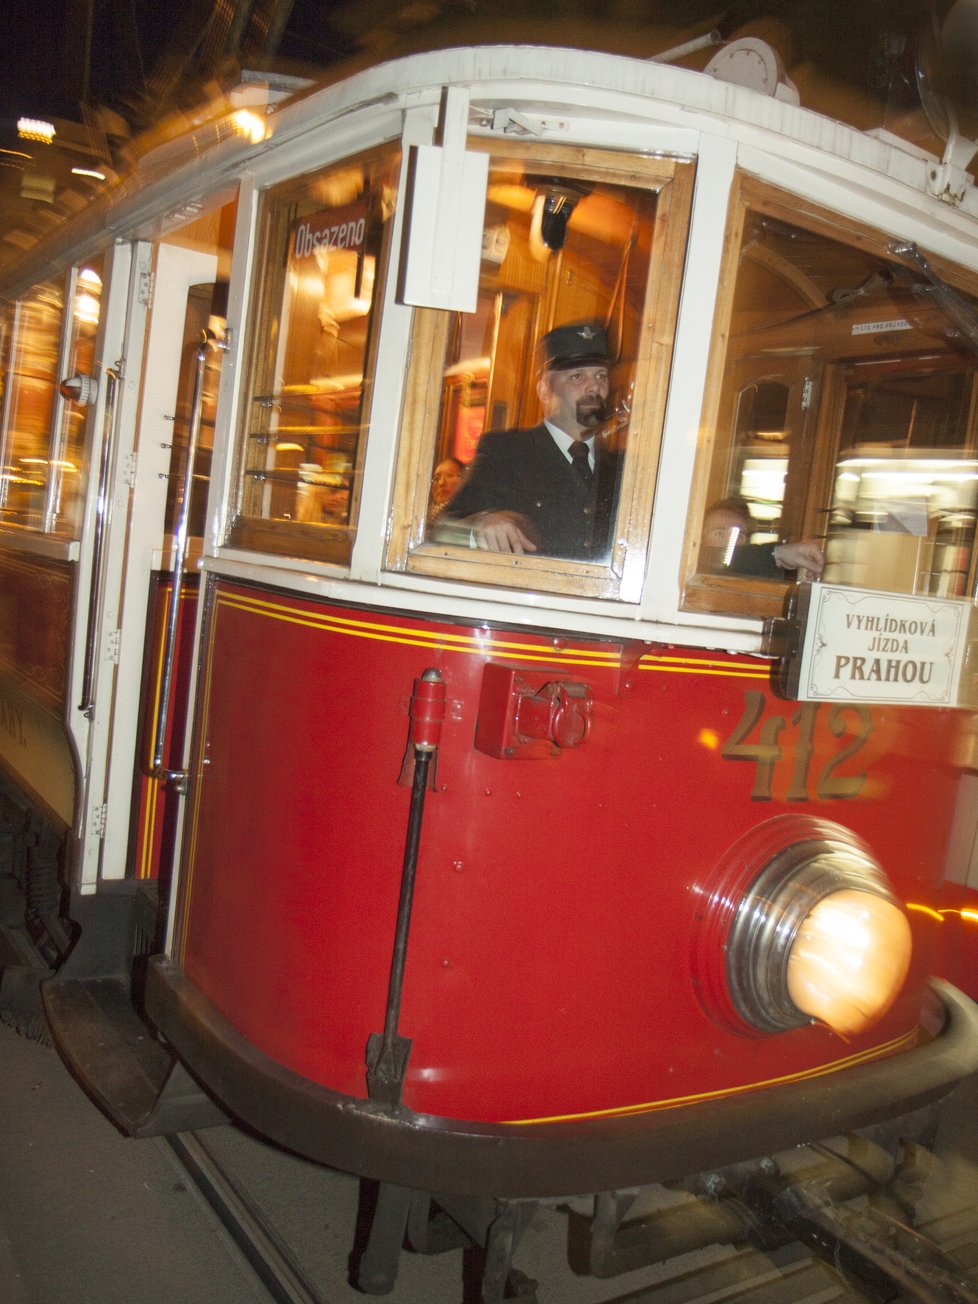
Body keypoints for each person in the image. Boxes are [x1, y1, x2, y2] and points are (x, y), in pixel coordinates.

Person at [438, 323, 620, 560]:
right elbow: (442, 532)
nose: (594, 386)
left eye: (601, 376)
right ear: (545, 390)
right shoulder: (506, 453)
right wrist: (481, 524)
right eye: (577, 376)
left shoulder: (622, 467)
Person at [702, 496, 825, 579]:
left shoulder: (760, 583)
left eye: (738, 536)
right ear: (700, 540)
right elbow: (714, 560)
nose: (730, 543)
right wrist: (775, 554)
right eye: (719, 534)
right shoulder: (691, 568)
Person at [427, 456, 467, 527]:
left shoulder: (467, 518)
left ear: (464, 480)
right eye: (436, 478)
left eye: (450, 475)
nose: (441, 483)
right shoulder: (423, 516)